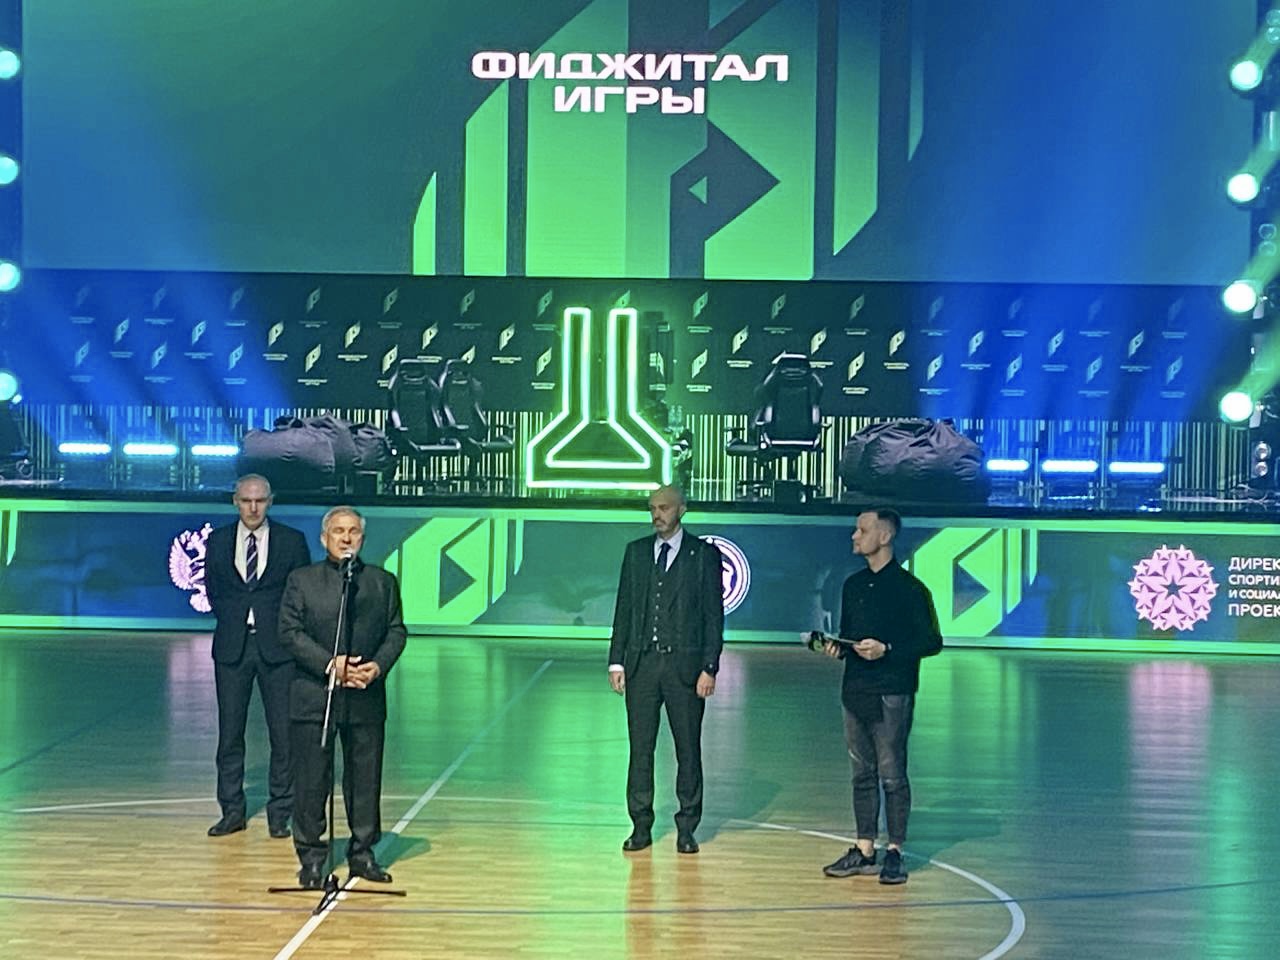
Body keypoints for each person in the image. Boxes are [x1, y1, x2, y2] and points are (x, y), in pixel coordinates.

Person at [279, 506, 407, 889]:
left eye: (353, 531)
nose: (346, 538)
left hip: (365, 695)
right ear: (324, 538)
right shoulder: (302, 580)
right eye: (338, 531)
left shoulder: (382, 582)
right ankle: (311, 858)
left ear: (362, 538)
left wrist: (376, 667)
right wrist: (330, 664)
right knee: (311, 780)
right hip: (315, 696)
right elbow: (289, 632)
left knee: (364, 779)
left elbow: (396, 631)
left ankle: (363, 853)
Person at [820, 507, 942, 885]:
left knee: (892, 774)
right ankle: (864, 847)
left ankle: (895, 851)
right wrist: (839, 648)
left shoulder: (910, 590)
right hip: (855, 690)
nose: (854, 536)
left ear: (885, 536)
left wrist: (887, 649)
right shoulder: (853, 586)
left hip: (892, 691)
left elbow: (931, 641)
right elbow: (849, 635)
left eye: (862, 530)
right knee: (861, 773)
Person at [608, 485, 724, 855]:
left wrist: (709, 667)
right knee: (640, 749)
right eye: (652, 508)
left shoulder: (703, 555)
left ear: (681, 509)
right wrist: (616, 660)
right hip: (642, 666)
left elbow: (713, 617)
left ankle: (687, 827)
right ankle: (640, 826)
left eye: (664, 508)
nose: (657, 514)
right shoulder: (636, 553)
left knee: (687, 749)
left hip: (684, 669)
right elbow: (624, 609)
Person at [203, 474, 311, 839]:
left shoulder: (291, 541)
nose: (253, 508)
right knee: (230, 735)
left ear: (270, 501)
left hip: (278, 650)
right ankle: (231, 811)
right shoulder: (218, 540)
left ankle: (280, 813)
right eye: (247, 500)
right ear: (235, 501)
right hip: (232, 648)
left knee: (283, 734)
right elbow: (214, 590)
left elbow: (299, 593)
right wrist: (235, 619)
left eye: (260, 501)